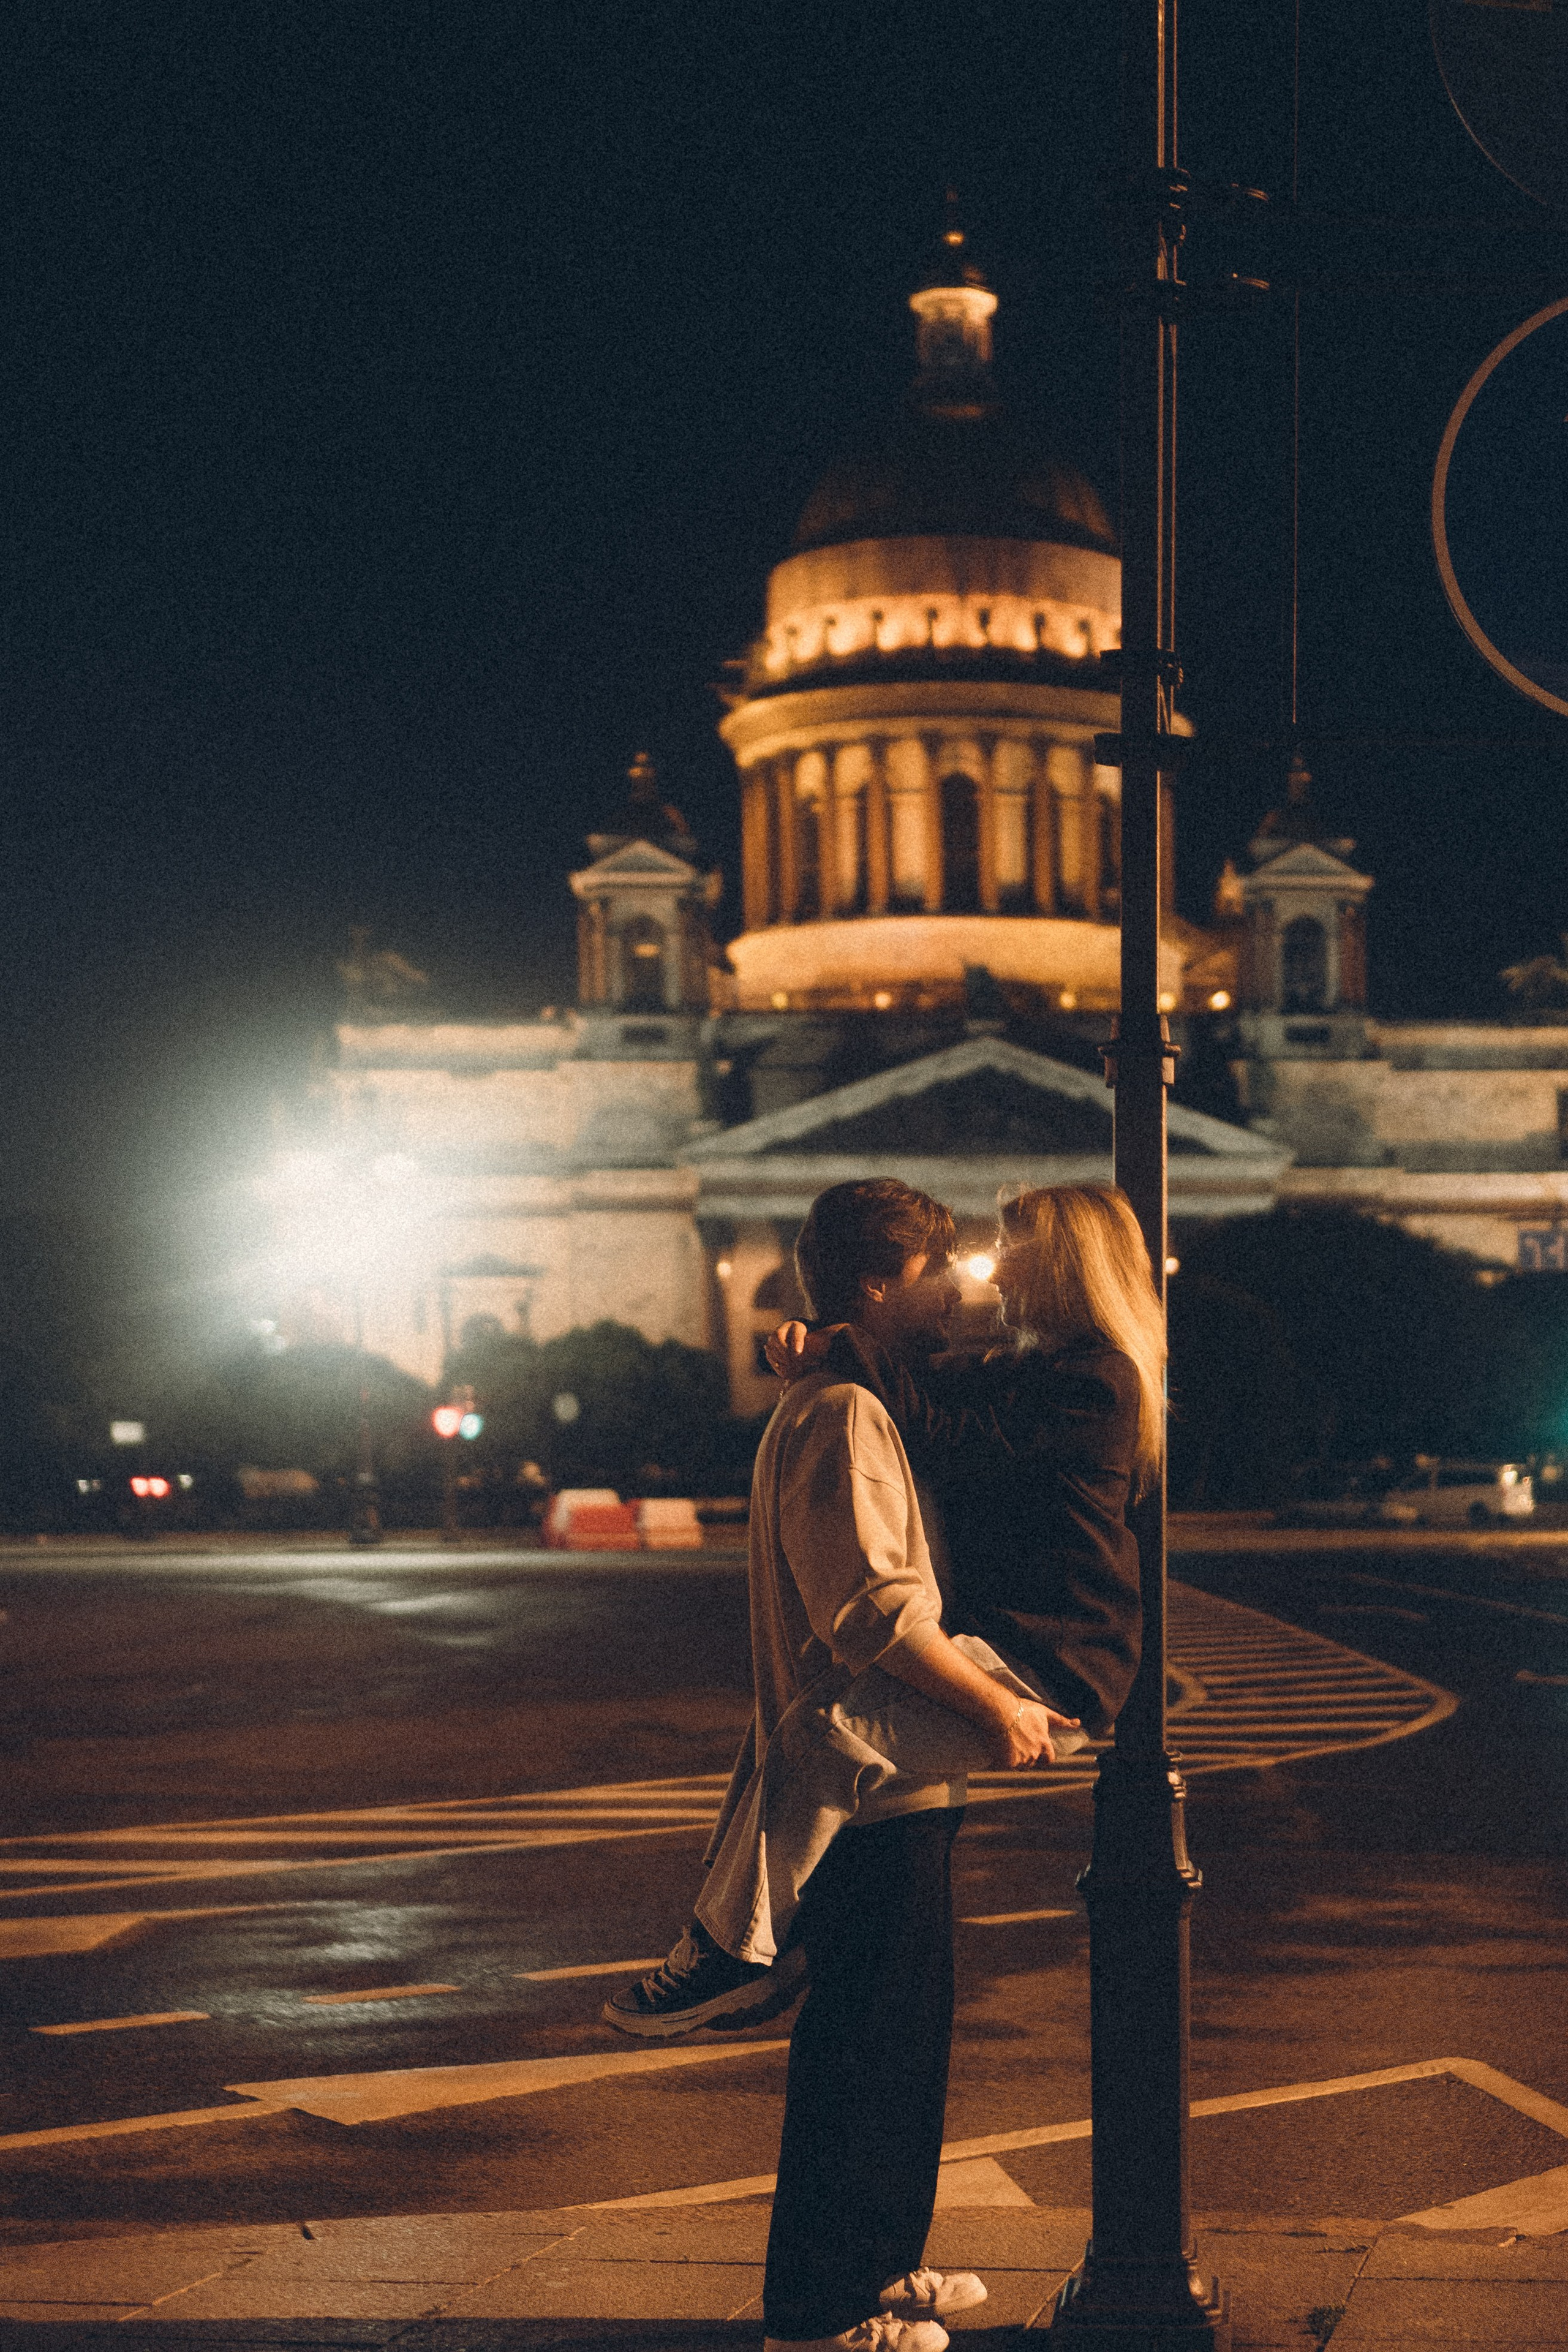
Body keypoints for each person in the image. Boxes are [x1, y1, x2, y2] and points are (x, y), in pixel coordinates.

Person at [610, 1179, 1072, 2352]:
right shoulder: (842, 1419)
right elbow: (868, 1613)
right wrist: (996, 1707)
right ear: (879, 1283)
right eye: (940, 1269)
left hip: (892, 1779)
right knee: (861, 2054)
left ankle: (879, 2268)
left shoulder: (854, 1394)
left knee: (901, 2044)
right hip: (867, 1786)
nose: (961, 1287)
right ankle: (819, 2314)